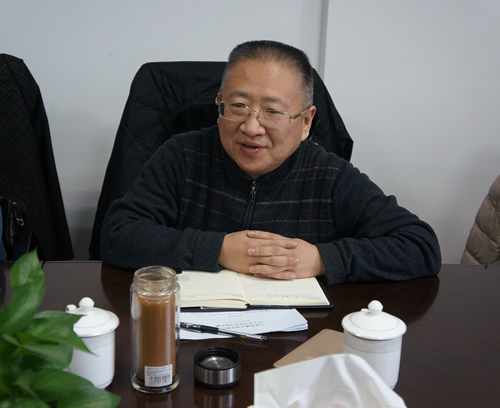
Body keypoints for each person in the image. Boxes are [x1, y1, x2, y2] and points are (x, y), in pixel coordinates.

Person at [101, 40, 441, 284]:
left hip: (297, 342)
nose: (251, 127)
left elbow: (420, 245)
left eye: (273, 112)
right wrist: (217, 249)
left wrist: (322, 259)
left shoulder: (330, 176)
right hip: (191, 335)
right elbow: (118, 234)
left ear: (306, 122)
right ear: (218, 104)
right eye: (237, 106)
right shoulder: (182, 156)